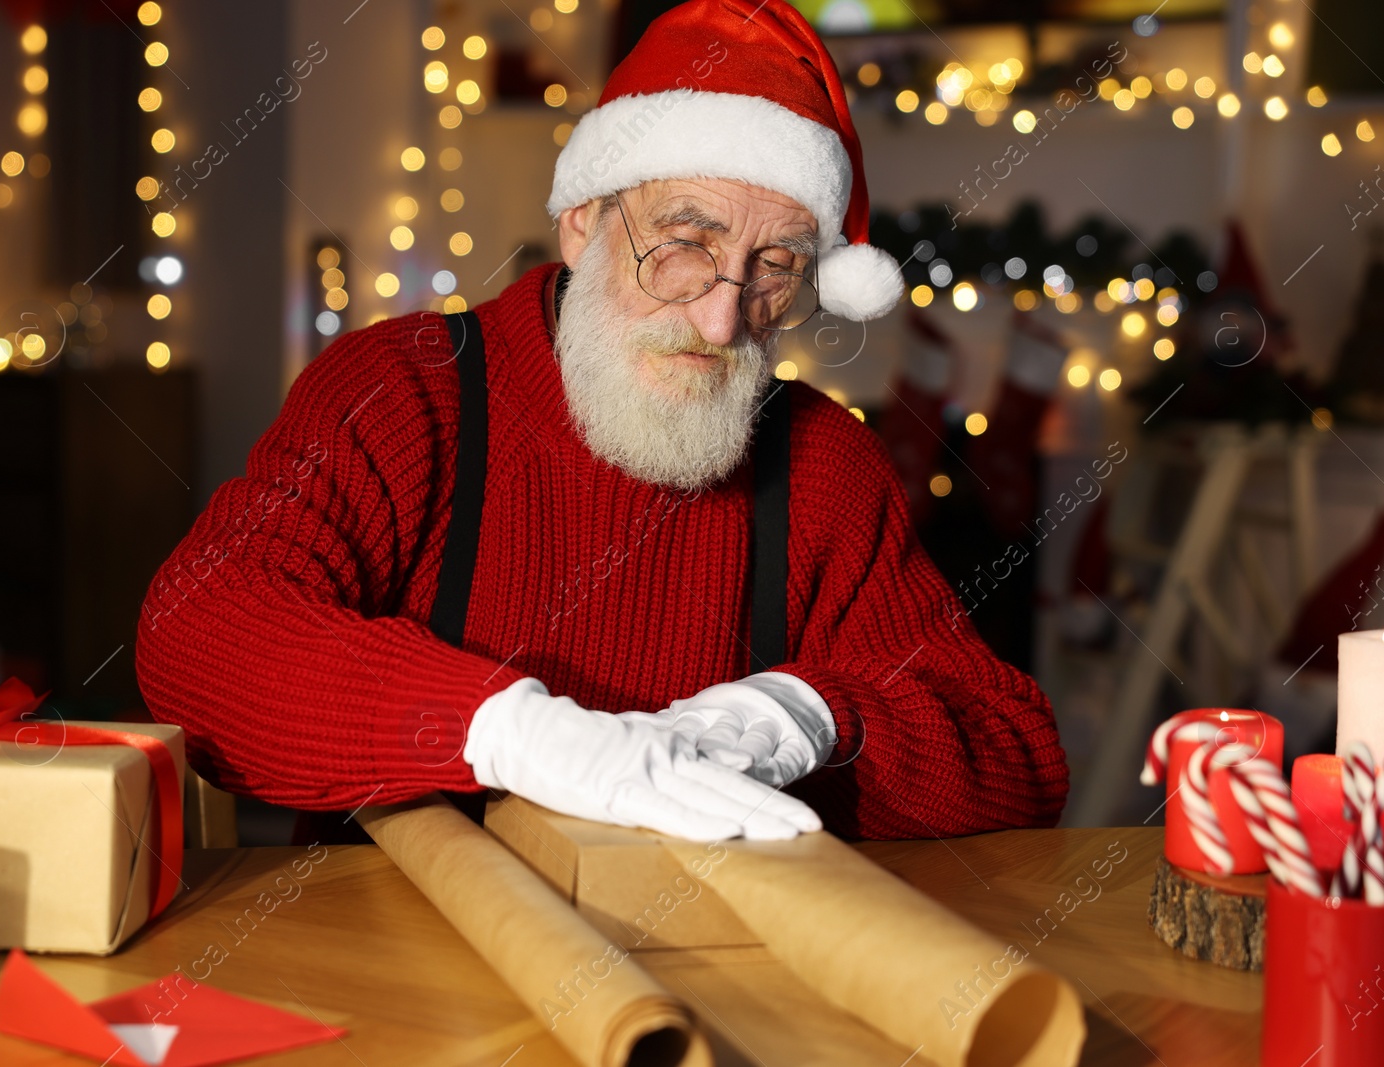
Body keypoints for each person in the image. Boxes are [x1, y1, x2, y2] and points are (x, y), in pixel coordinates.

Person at [135, 0, 1068, 843]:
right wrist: (506, 732)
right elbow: (198, 631)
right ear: (582, 221)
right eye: (683, 244)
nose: (720, 318)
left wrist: (811, 719)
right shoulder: (404, 392)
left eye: (775, 265)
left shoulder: (826, 465)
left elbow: (1017, 757)